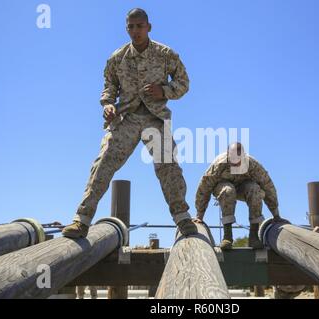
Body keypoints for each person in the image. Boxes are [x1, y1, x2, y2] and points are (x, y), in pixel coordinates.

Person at [62, 8, 197, 238]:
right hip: (126, 119)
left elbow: (184, 83)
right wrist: (108, 105)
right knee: (104, 163)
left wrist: (163, 90)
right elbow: (109, 88)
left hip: (155, 118)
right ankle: (81, 220)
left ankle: (183, 219)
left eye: (140, 26)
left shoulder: (166, 55)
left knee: (169, 167)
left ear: (149, 27)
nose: (135, 31)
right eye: (131, 27)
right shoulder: (117, 59)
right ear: (127, 29)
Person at [194, 143, 281, 249]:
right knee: (228, 191)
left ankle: (253, 236)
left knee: (255, 190)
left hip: (243, 187)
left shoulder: (252, 165)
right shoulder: (219, 165)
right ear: (228, 156)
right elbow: (204, 188)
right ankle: (227, 236)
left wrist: (276, 214)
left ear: (243, 156)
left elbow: (268, 186)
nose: (235, 164)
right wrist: (200, 215)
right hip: (222, 186)